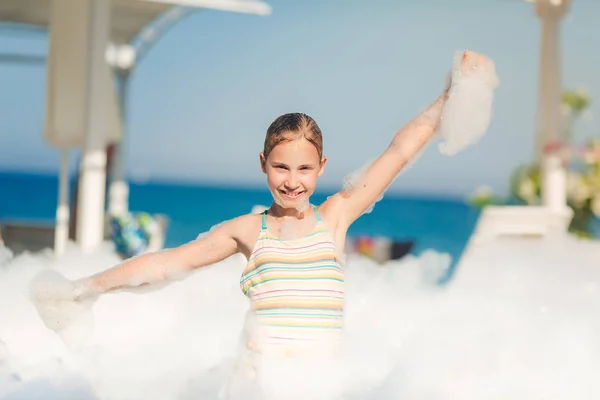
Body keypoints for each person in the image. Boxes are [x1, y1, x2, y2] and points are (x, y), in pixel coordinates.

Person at [31, 50, 497, 399]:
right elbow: (164, 263)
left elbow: (398, 151)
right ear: (263, 164)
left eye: (304, 170)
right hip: (257, 385)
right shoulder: (248, 233)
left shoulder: (336, 216)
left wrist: (451, 98)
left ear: (321, 167)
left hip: (321, 387)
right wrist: (83, 289)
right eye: (281, 168)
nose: (292, 182)